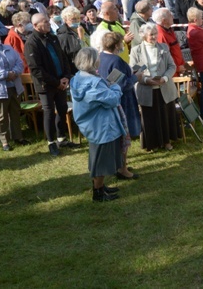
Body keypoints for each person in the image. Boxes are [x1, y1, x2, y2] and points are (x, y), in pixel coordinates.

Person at [69, 47, 123, 202]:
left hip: (91, 123)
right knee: (101, 161)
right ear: (92, 61)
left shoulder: (78, 77)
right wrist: (114, 86)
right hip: (101, 125)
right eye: (97, 58)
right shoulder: (94, 83)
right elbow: (112, 100)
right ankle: (98, 192)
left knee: (97, 157)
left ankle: (100, 186)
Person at [25, 13, 76, 156]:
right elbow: (36, 69)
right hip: (46, 85)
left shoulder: (53, 38)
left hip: (61, 82)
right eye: (45, 22)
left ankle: (61, 138)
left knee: (62, 108)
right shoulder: (32, 43)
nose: (49, 23)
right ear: (36, 25)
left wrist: (66, 76)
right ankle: (51, 142)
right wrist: (56, 82)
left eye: (48, 21)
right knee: (49, 112)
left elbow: (63, 58)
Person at [99, 32, 142, 180]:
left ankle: (120, 164)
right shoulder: (115, 60)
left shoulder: (101, 57)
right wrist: (136, 77)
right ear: (117, 45)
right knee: (124, 136)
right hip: (122, 102)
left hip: (111, 101)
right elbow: (121, 84)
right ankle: (122, 168)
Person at [129, 22, 179, 151]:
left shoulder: (163, 47)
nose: (154, 36)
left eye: (155, 33)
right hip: (146, 90)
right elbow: (134, 70)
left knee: (166, 116)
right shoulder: (136, 51)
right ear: (144, 36)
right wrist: (145, 79)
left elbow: (172, 66)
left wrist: (165, 78)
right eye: (151, 34)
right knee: (150, 118)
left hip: (164, 88)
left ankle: (167, 141)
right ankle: (153, 144)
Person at [0, 26, 29, 151]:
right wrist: (6, 75)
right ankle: (5, 141)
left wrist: (14, 72)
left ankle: (18, 137)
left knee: (15, 113)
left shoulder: (8, 48)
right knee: (1, 116)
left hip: (14, 87)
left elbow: (19, 63)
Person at [56, 6, 88, 73]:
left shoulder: (83, 28)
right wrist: (80, 38)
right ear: (65, 20)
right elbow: (75, 51)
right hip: (75, 69)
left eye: (78, 18)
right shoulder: (63, 35)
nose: (76, 21)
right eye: (73, 19)